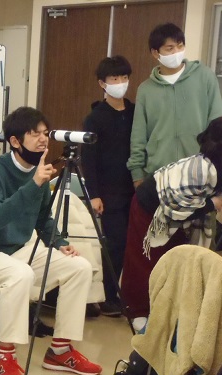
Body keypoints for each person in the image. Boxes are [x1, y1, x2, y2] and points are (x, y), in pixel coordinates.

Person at [0, 107, 102, 375]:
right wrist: (33, 185)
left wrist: (60, 243)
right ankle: (5, 356)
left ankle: (60, 350)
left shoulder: (38, 172)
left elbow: (43, 219)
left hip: (17, 250)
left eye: (45, 133)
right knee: (20, 274)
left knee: (79, 268)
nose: (43, 140)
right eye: (35, 134)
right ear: (15, 141)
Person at [121, 117, 222, 332]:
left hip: (182, 212)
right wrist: (212, 203)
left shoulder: (217, 166)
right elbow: (179, 208)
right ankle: (138, 312)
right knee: (146, 258)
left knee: (174, 261)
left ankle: (166, 311)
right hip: (152, 205)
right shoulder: (201, 168)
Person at [127, 23, 222, 188]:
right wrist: (137, 174)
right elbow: (139, 135)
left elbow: (218, 124)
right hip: (159, 173)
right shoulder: (146, 89)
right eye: (169, 48)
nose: (176, 52)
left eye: (180, 46)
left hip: (199, 171)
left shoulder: (205, 77)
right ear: (155, 53)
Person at [81, 55, 135, 318]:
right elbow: (88, 159)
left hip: (134, 187)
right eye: (115, 78)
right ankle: (106, 296)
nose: (121, 82)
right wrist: (94, 195)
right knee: (115, 243)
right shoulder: (95, 118)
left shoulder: (135, 112)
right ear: (103, 83)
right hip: (108, 191)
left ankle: (121, 293)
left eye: (124, 77)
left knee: (131, 244)